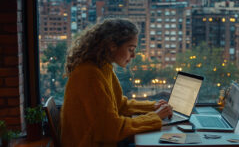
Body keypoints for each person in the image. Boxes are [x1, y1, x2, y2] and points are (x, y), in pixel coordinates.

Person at [60, 19, 173, 147]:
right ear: (112, 46)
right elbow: (109, 129)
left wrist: (154, 107)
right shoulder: (89, 74)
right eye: (130, 49)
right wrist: (155, 117)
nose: (134, 55)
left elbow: (120, 105)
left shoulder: (103, 67)